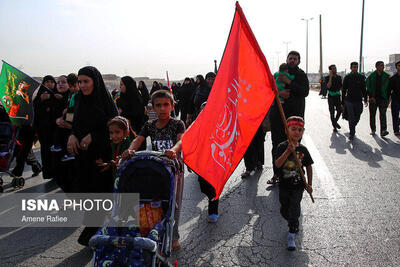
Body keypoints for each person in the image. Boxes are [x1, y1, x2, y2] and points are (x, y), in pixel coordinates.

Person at [121, 90, 185, 251]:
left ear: (172, 106)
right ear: (152, 108)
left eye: (166, 105)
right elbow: (138, 139)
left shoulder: (178, 124)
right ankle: (153, 231)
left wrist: (174, 150)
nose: (162, 109)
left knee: (173, 204)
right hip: (156, 169)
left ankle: (174, 236)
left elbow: (181, 141)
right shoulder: (149, 125)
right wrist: (130, 150)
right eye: (158, 105)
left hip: (173, 168)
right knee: (154, 201)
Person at [67, 66, 117, 246]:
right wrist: (72, 135)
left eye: (85, 81)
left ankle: (92, 233)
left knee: (99, 192)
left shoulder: (105, 100)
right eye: (79, 81)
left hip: (101, 154)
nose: (82, 85)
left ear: (95, 81)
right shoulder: (78, 98)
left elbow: (115, 127)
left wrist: (94, 136)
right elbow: (73, 122)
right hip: (82, 155)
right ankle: (99, 228)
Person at [268, 51, 309, 185]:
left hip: (294, 118)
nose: (292, 60)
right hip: (278, 116)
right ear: (287, 59)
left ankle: (292, 174)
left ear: (299, 61)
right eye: (290, 58)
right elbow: (268, 90)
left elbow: (305, 91)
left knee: (294, 146)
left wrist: (289, 82)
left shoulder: (300, 75)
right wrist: (279, 93)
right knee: (277, 145)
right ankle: (276, 174)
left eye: (295, 59)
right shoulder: (277, 75)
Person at [274, 116, 313, 251]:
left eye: (300, 130)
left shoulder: (303, 150)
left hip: (298, 186)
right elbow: (278, 164)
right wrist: (288, 151)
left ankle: (292, 233)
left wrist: (309, 184)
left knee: (295, 208)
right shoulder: (281, 147)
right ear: (286, 130)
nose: (297, 132)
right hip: (284, 185)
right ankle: (290, 218)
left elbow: (308, 166)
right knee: (285, 208)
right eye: (293, 129)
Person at [33, 75, 62, 179]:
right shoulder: (40, 96)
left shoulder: (58, 95)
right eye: (46, 82)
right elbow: (34, 111)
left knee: (56, 152)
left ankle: (57, 174)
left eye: (51, 82)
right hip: (44, 131)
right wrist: (41, 100)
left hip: (55, 130)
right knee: (46, 152)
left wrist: (56, 98)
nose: (49, 84)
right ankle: (49, 173)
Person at [51, 73, 79, 162]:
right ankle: (58, 146)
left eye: (63, 82)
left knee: (67, 130)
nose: (72, 88)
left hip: (72, 115)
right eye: (58, 82)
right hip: (69, 114)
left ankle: (68, 152)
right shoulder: (71, 95)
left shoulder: (78, 95)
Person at [96, 116, 133, 180]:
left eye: (117, 132)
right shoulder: (113, 144)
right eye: (111, 132)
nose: (114, 136)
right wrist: (110, 165)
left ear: (126, 132)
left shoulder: (130, 146)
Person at [342, 62, 367, 140]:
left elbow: (363, 89)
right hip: (349, 100)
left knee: (357, 116)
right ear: (351, 68)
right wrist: (342, 101)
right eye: (354, 67)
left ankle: (352, 126)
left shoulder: (361, 77)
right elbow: (344, 90)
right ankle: (352, 133)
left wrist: (365, 99)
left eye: (356, 67)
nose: (355, 68)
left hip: (358, 100)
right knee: (351, 117)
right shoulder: (347, 77)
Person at [366, 61, 390, 137]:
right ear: (376, 67)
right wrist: (371, 96)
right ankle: (373, 129)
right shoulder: (371, 76)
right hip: (373, 98)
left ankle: (383, 130)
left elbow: (389, 89)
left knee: (383, 115)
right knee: (372, 114)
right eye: (381, 65)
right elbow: (368, 87)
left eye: (383, 65)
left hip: (383, 98)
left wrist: (388, 98)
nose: (382, 67)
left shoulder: (386, 76)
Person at [324, 65, 343, 132]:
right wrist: (330, 77)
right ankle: (334, 126)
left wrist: (343, 96)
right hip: (331, 96)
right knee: (332, 112)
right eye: (333, 69)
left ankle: (335, 122)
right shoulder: (327, 78)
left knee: (340, 110)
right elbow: (328, 86)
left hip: (337, 96)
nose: (335, 70)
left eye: (335, 68)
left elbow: (341, 87)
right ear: (330, 70)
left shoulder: (339, 77)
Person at [388, 60, 400, 135]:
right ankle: (396, 130)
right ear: (396, 67)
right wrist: (388, 100)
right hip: (395, 99)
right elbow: (389, 90)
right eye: (399, 65)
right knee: (395, 115)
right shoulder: (393, 78)